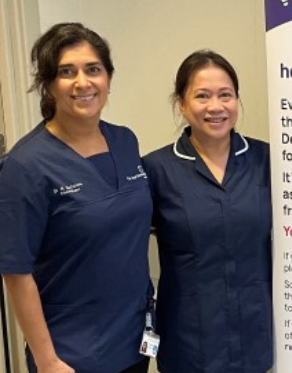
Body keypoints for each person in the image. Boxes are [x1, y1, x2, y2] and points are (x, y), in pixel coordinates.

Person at [0, 23, 152, 373]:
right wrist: (48, 360)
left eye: (93, 70)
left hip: (133, 341)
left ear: (108, 79)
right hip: (72, 355)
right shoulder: (26, 165)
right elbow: (16, 272)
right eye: (66, 72)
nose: (82, 83)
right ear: (48, 84)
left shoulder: (125, 142)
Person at [143, 50, 272, 373]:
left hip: (256, 334)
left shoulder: (266, 161)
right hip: (189, 341)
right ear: (181, 104)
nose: (216, 107)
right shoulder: (156, 170)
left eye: (225, 95)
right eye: (202, 96)